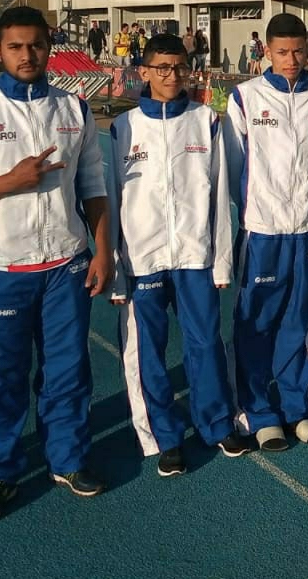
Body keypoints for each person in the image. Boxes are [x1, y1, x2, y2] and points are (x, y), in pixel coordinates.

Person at [0, 6, 113, 525]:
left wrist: (102, 251)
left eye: (35, 45)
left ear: (49, 47)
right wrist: (8, 182)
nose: (27, 55)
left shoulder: (75, 109)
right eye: (15, 46)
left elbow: (93, 186)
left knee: (68, 371)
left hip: (66, 265)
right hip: (1, 268)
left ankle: (69, 459)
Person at [107, 33, 256, 476]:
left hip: (195, 257)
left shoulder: (207, 121)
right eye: (162, 68)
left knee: (206, 343)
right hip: (142, 259)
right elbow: (113, 201)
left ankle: (216, 423)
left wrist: (222, 261)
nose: (172, 76)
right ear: (145, 71)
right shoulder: (123, 127)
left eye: (180, 67)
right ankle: (165, 438)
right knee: (148, 352)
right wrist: (118, 274)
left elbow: (221, 198)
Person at [224, 13, 308, 450]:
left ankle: (294, 407)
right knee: (256, 322)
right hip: (262, 231)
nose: (291, 59)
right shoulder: (245, 97)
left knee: (296, 321)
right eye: (282, 52)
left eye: (298, 50)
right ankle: (258, 411)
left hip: (307, 229)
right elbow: (233, 167)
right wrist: (259, 207)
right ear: (266, 51)